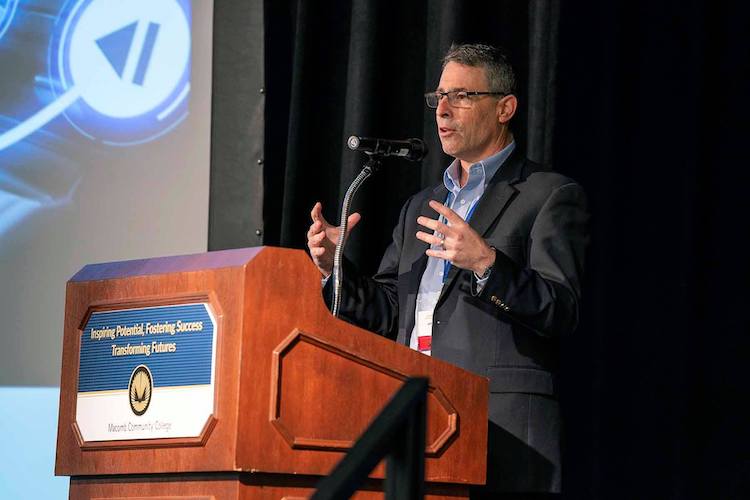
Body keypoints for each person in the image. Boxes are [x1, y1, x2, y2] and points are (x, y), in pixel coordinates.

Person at [306, 43, 588, 497]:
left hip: (503, 427)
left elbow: (561, 310)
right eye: (438, 98)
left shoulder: (549, 195)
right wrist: (333, 266)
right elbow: (388, 311)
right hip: (418, 419)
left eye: (461, 96)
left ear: (505, 107)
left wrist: (487, 264)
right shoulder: (420, 206)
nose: (443, 110)